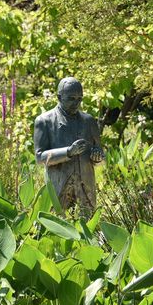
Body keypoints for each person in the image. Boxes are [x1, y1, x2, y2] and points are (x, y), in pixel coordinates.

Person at [33, 77, 104, 214]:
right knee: (56, 224)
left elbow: (100, 155)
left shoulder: (89, 121)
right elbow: (40, 157)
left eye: (79, 99)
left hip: (85, 188)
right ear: (59, 97)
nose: (76, 103)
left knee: (88, 224)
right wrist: (68, 152)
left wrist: (97, 156)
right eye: (71, 98)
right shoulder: (44, 121)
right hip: (59, 186)